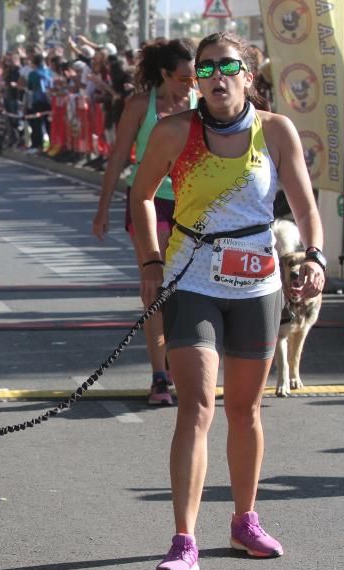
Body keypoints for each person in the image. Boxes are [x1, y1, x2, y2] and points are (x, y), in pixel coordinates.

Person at [129, 32, 325, 570]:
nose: (215, 77)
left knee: (246, 410)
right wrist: (149, 263)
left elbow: (306, 208)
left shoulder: (276, 130)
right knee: (195, 406)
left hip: (258, 283)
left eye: (227, 66)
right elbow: (141, 195)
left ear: (249, 74)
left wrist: (314, 258)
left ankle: (244, 522)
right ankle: (184, 540)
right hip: (192, 279)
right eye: (206, 68)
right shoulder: (175, 132)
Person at [92, 39, 198, 406]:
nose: (192, 83)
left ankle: (183, 365)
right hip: (147, 201)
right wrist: (103, 208)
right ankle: (159, 377)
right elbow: (119, 155)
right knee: (155, 285)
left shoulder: (202, 104)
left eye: (194, 76)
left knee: (188, 290)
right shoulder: (141, 105)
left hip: (192, 203)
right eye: (184, 78)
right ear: (165, 74)